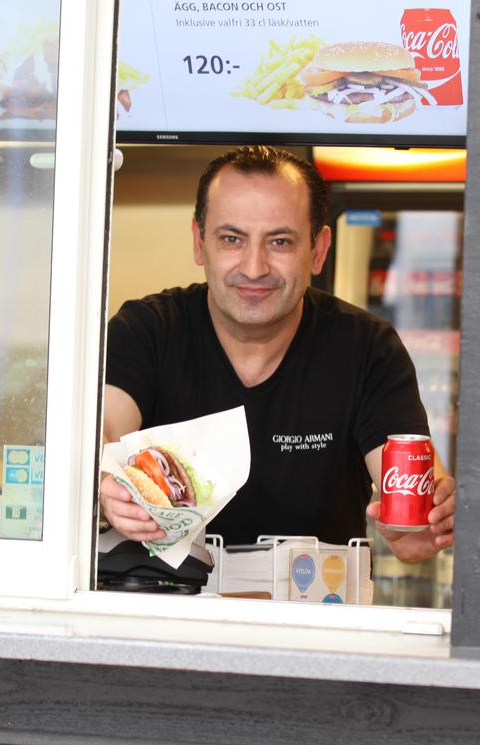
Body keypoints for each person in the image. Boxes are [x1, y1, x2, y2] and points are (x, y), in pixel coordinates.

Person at [98, 146, 454, 564]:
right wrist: (106, 486)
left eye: (280, 241)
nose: (253, 267)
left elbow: (413, 510)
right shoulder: (146, 330)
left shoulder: (366, 348)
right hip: (164, 608)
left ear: (318, 250)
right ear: (199, 243)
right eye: (232, 239)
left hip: (315, 612)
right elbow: (104, 432)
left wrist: (427, 520)